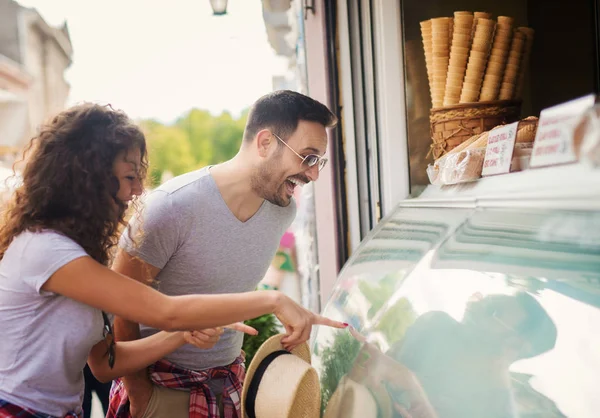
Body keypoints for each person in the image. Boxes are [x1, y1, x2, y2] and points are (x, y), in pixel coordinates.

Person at [0, 103, 344, 418]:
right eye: (130, 177)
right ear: (86, 179)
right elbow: (164, 311)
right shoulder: (45, 251)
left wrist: (182, 335)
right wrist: (274, 300)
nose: (138, 191)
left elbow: (106, 365)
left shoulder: (75, 253)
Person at [109, 90, 339, 418]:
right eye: (308, 157)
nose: (314, 174)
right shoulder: (171, 207)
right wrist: (141, 393)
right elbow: (120, 306)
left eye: (319, 161)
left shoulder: (281, 211)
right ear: (265, 143)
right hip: (161, 385)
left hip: (228, 384)